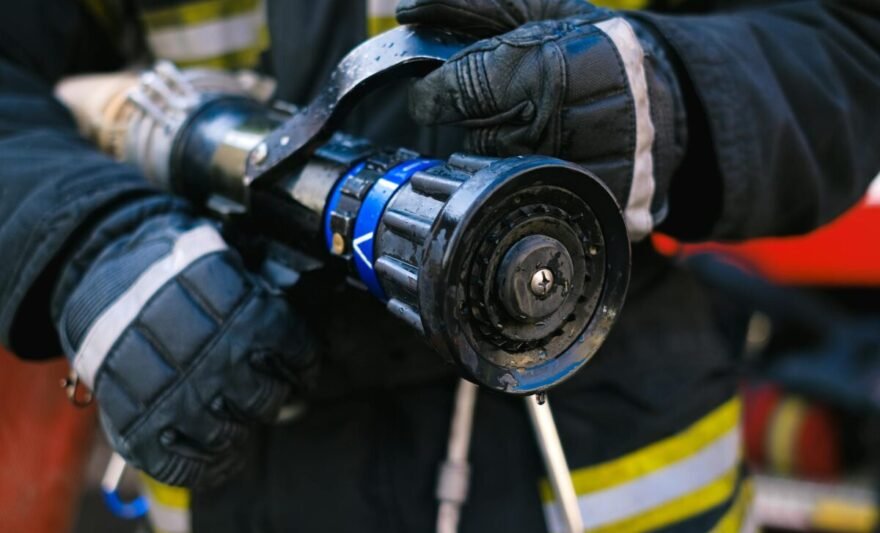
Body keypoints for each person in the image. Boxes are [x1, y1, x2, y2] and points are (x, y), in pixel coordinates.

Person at [1, 0, 878, 531]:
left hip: (612, 462)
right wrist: (95, 240)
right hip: (239, 447)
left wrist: (666, 93)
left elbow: (848, 44)